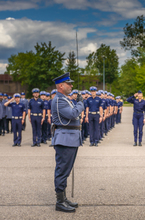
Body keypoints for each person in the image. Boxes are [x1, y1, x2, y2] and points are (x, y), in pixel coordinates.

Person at [51, 72, 84, 213]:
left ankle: (63, 199)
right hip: (65, 139)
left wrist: (77, 104)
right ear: (60, 86)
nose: (71, 85)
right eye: (68, 83)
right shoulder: (59, 100)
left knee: (66, 170)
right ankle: (59, 202)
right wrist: (81, 103)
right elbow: (72, 114)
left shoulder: (65, 99)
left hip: (70, 138)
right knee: (62, 170)